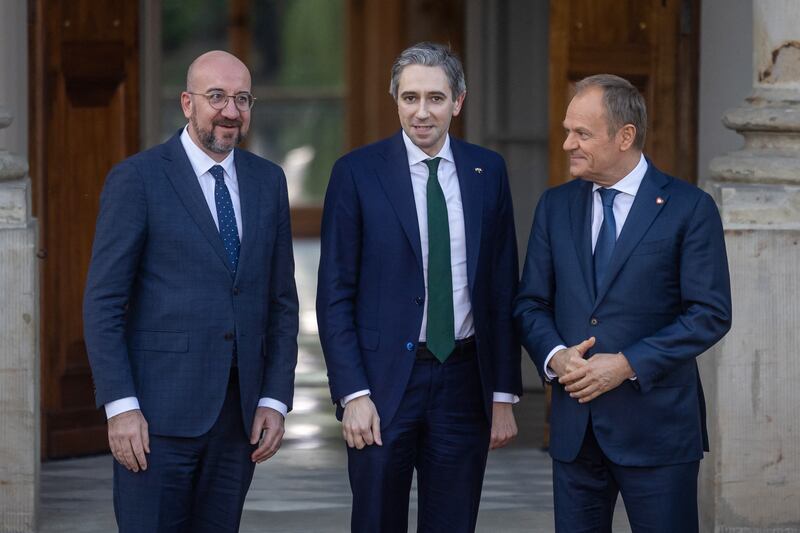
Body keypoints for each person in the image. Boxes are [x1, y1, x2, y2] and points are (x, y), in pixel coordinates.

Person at [83, 50, 298, 533]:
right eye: (216, 96)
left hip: (238, 420)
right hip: (154, 419)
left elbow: (281, 303)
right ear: (187, 102)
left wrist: (274, 398)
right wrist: (121, 407)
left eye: (242, 99)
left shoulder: (268, 181)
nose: (230, 111)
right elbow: (103, 303)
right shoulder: (138, 179)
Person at [316, 42, 522, 533]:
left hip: (463, 381)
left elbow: (501, 288)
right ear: (396, 100)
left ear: (459, 101)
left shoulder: (487, 171)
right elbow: (334, 293)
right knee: (376, 521)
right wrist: (353, 393)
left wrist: (502, 395)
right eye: (410, 98)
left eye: (435, 98)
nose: (422, 112)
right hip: (382, 385)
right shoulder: (356, 173)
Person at [513, 74, 732, 532]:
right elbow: (530, 302)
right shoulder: (554, 206)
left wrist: (627, 363)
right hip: (576, 432)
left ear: (625, 136)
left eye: (582, 133)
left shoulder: (689, 208)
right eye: (567, 131)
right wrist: (557, 356)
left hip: (658, 431)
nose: (568, 144)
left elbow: (709, 314)